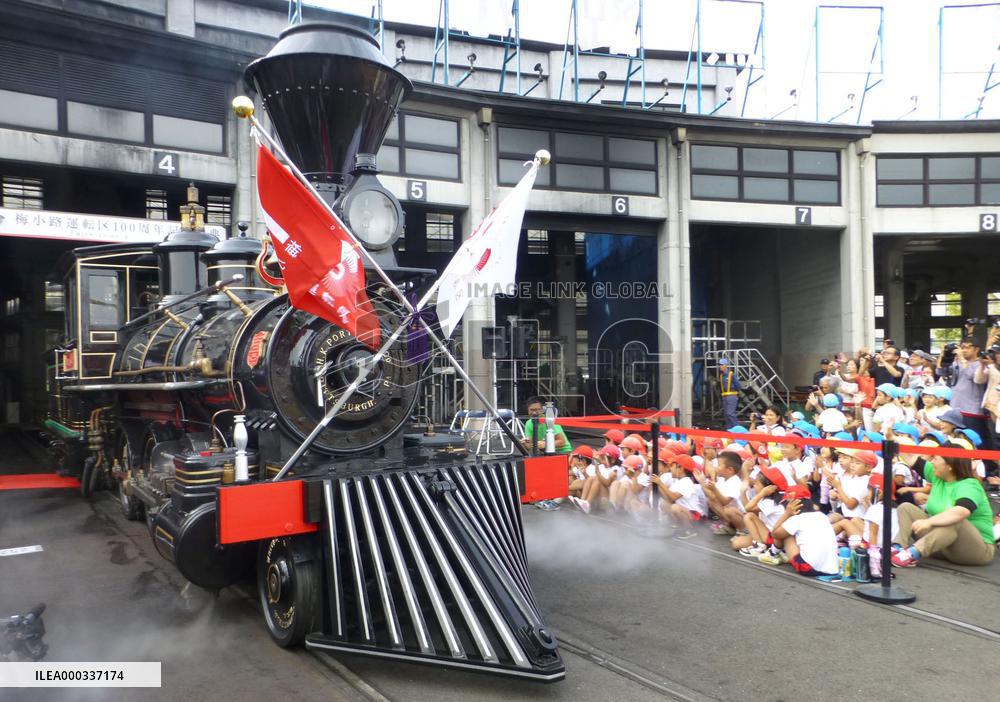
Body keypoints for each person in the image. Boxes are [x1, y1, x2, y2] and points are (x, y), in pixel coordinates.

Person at [891, 449, 996, 568]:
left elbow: (961, 511)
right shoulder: (938, 475)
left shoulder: (970, 485)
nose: (931, 461)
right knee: (906, 508)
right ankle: (897, 548)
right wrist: (890, 438)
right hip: (943, 545)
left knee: (956, 519)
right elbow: (910, 457)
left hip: (975, 551)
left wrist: (929, 522)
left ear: (949, 466)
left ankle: (912, 553)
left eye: (935, 458)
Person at [718, 357, 741, 429]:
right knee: (726, 415)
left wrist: (734, 392)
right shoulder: (722, 376)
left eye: (721, 365)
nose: (720, 366)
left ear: (725, 365)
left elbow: (738, 386)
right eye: (720, 365)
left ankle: (738, 429)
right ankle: (729, 430)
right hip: (725, 397)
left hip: (731, 396)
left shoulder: (731, 374)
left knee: (730, 413)